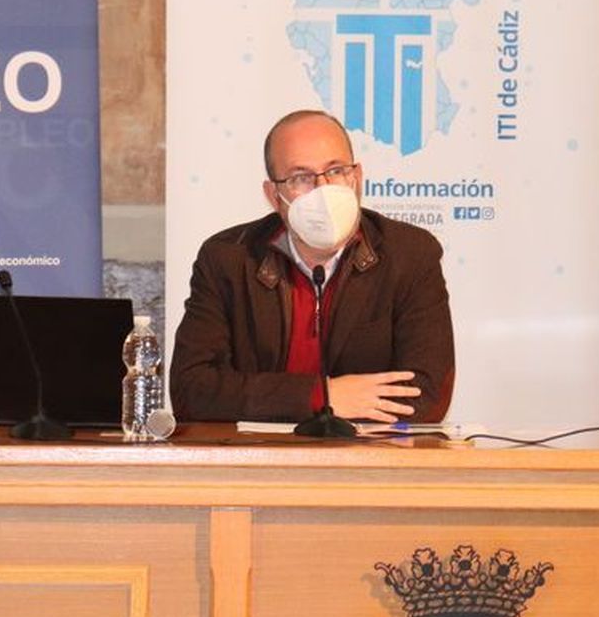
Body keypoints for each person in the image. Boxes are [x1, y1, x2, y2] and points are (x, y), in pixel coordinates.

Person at [170, 110, 455, 423]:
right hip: (258, 462)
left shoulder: (410, 255)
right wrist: (322, 396)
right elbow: (191, 390)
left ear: (357, 178)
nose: (323, 189)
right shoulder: (228, 259)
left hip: (366, 461)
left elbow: (424, 393)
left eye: (335, 170)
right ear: (274, 196)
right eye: (300, 177)